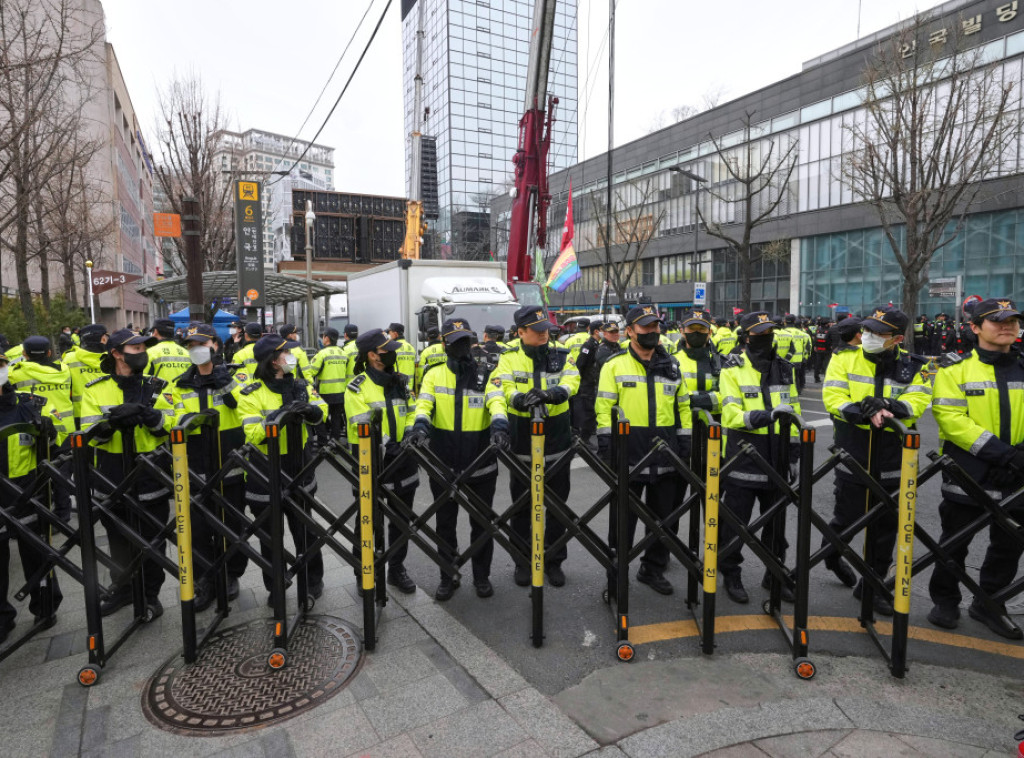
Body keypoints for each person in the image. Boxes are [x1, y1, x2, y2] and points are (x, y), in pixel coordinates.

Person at [821, 306, 931, 616]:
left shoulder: (916, 366)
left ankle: (873, 585)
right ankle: (830, 554)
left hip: (894, 455)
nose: (867, 336)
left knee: (886, 527)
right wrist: (863, 411)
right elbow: (833, 398)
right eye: (867, 329)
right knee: (847, 518)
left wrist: (888, 405)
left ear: (897, 339)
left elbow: (918, 400)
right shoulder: (844, 358)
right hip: (854, 450)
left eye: (877, 333)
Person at [927, 298, 1024, 640]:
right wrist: (1003, 455)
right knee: (954, 542)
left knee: (1008, 546)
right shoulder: (954, 370)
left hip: (1018, 472)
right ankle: (945, 601)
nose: (1007, 326)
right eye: (997, 321)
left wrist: (1019, 457)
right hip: (969, 470)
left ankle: (989, 604)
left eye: (1012, 321)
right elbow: (952, 421)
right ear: (975, 327)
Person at [408, 318, 509, 600]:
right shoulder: (433, 374)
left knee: (482, 524)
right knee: (445, 524)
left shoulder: (488, 372)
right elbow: (424, 403)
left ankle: (481, 577)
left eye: (466, 341)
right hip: (443, 461)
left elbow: (497, 400)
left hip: (481, 460)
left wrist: (500, 426)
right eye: (456, 342)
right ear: (444, 344)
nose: (462, 347)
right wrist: (419, 426)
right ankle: (448, 575)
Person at [597, 305, 690, 595]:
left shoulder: (672, 365)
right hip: (629, 454)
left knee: (664, 522)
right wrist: (607, 445)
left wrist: (685, 443)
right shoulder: (614, 365)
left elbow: (683, 407)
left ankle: (652, 570)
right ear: (629, 331)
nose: (652, 332)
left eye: (655, 326)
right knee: (622, 524)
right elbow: (604, 408)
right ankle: (616, 576)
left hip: (666, 454)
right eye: (645, 327)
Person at [80, 329, 172, 618]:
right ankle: (122, 590)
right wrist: (110, 424)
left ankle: (150, 595)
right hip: (112, 471)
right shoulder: (95, 389)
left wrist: (149, 415)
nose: (142, 353)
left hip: (150, 470)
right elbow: (90, 434)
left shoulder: (156, 386)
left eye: (143, 348)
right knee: (118, 538)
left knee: (153, 538)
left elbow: (169, 426)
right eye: (135, 349)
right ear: (117, 354)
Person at [235, 334, 327, 603]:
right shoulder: (251, 393)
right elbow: (254, 434)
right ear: (272, 361)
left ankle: (312, 581)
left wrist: (312, 412)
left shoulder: (301, 385)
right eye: (285, 353)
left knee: (306, 529)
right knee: (270, 536)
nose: (291, 356)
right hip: (265, 470)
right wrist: (279, 417)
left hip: (299, 465)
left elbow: (322, 410)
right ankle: (275, 585)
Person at [717, 312, 801, 605]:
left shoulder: (785, 369)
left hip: (777, 456)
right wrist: (766, 416)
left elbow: (794, 413)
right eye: (760, 333)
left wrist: (793, 455)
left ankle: (775, 573)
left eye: (769, 333)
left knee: (776, 525)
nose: (766, 338)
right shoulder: (732, 369)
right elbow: (731, 414)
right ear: (746, 337)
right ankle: (731, 573)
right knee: (735, 525)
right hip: (744, 455)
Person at [162, 324, 247, 610]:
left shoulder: (234, 377)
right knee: (196, 529)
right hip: (194, 466)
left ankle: (231, 574)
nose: (196, 349)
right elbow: (168, 418)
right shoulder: (178, 384)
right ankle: (204, 579)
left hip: (229, 463)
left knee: (231, 525)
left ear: (216, 345)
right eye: (191, 345)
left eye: (202, 343)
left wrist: (225, 383)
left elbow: (243, 407)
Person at [493, 306, 580, 586]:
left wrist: (554, 393)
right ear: (521, 332)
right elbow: (503, 386)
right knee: (521, 506)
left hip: (556, 436)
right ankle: (522, 561)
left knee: (557, 507)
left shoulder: (562, 354)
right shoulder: (508, 357)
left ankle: (554, 561)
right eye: (537, 330)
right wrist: (519, 399)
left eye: (546, 330)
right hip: (522, 436)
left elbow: (573, 379)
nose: (544, 334)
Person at [346, 328, 419, 593]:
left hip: (404, 459)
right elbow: (361, 425)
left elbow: (411, 411)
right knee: (367, 519)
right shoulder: (356, 387)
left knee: (401, 519)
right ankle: (363, 569)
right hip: (372, 461)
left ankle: (396, 569)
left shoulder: (399, 381)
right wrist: (391, 445)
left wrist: (410, 433)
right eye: (386, 350)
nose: (391, 354)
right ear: (372, 355)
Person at [0, 352, 63, 643]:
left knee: (35, 553)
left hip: (26, 492)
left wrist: (48, 431)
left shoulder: (28, 404)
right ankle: (2, 618)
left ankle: (45, 606)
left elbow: (53, 444)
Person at [9, 337, 75, 521]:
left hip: (35, 430)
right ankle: (63, 515)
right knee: (61, 474)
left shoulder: (16, 373)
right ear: (49, 352)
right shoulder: (65, 370)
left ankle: (40, 513)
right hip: (65, 429)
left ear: (24, 354)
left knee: (37, 474)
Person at [675, 309, 722, 418]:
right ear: (682, 331)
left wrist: (689, 399)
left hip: (714, 425)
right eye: (691, 329)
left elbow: (728, 398)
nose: (696, 332)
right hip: (682, 425)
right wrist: (709, 399)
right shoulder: (671, 362)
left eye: (701, 329)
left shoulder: (721, 362)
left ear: (709, 332)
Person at [570, 320, 605, 451]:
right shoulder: (589, 345)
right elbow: (580, 364)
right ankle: (583, 440)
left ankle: (584, 438)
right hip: (586, 384)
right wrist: (584, 380)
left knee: (591, 412)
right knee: (588, 413)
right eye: (602, 329)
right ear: (596, 331)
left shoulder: (596, 344)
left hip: (591, 383)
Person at [309, 327, 348, 441]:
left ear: (327, 338)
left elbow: (311, 371)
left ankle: (323, 441)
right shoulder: (343, 353)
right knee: (336, 417)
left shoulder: (322, 353)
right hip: (341, 391)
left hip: (325, 392)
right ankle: (335, 441)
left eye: (323, 336)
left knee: (321, 416)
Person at [66, 324, 108, 428]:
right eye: (106, 336)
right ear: (102, 338)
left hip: (80, 413)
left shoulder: (69, 359)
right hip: (110, 411)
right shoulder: (113, 357)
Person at [146, 318, 192, 383]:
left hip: (162, 390)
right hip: (185, 390)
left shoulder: (150, 353)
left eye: (152, 332)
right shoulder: (187, 353)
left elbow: (143, 379)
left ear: (155, 331)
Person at [415, 326, 446, 391]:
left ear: (428, 338)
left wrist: (420, 382)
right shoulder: (445, 348)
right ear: (439, 336)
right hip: (446, 379)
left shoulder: (425, 352)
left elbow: (421, 370)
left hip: (431, 381)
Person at [388, 322, 418, 387]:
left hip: (397, 386)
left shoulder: (393, 348)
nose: (389, 336)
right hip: (409, 386)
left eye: (390, 333)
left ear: (395, 334)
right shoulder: (411, 347)